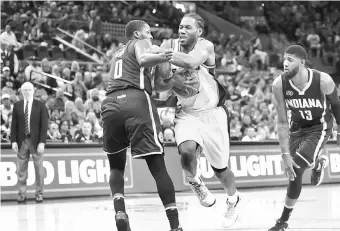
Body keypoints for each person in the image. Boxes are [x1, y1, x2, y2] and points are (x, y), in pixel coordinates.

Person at [155, 13, 240, 228]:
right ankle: (195, 181)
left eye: (188, 28)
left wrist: (161, 54)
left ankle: (232, 200)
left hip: (213, 114)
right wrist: (173, 80)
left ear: (199, 31)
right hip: (187, 113)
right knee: (186, 152)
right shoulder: (170, 45)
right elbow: (159, 86)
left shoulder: (206, 46)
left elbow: (192, 61)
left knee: (221, 170)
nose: (182, 31)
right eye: (180, 27)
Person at [100, 20, 182, 231]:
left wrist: (170, 78)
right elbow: (144, 59)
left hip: (110, 104)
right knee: (158, 166)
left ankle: (120, 211)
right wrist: (168, 54)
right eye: (148, 32)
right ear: (137, 34)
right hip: (135, 101)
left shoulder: (117, 53)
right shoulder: (140, 44)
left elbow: (157, 84)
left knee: (116, 166)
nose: (151, 37)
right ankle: (175, 226)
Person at [268, 45, 340, 231]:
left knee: (296, 169)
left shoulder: (323, 80)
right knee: (293, 164)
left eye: (290, 60)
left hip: (319, 127)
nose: (285, 63)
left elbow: (336, 105)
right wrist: (284, 154)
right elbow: (281, 122)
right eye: (284, 59)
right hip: (297, 128)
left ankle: (282, 222)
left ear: (302, 62)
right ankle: (318, 163)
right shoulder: (279, 84)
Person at [10, 82, 48, 204]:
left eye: (29, 90)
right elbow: (14, 125)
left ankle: (39, 194)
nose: (27, 92)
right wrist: (14, 141)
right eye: (24, 90)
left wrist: (42, 142)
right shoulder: (17, 106)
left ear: (33, 91)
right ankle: (22, 194)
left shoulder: (41, 106)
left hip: (36, 142)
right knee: (21, 170)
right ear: (21, 91)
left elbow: (44, 126)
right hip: (22, 141)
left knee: (39, 169)